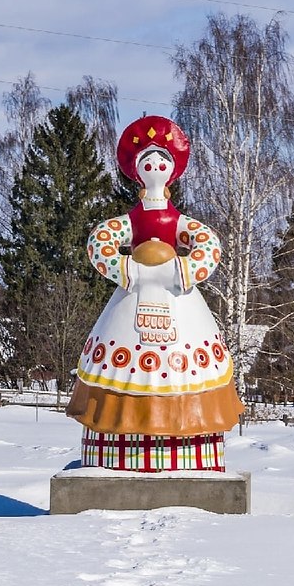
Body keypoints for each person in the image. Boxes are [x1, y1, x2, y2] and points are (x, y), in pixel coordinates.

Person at [65, 115, 244, 471]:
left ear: (172, 169)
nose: (155, 166)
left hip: (176, 296)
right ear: (137, 170)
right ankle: (116, 454)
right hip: (133, 296)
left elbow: (208, 243)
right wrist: (128, 270)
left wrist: (181, 270)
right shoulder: (131, 220)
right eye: (147, 161)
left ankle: (191, 453)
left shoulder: (177, 221)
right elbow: (101, 240)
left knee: (191, 366)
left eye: (161, 160)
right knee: (118, 367)